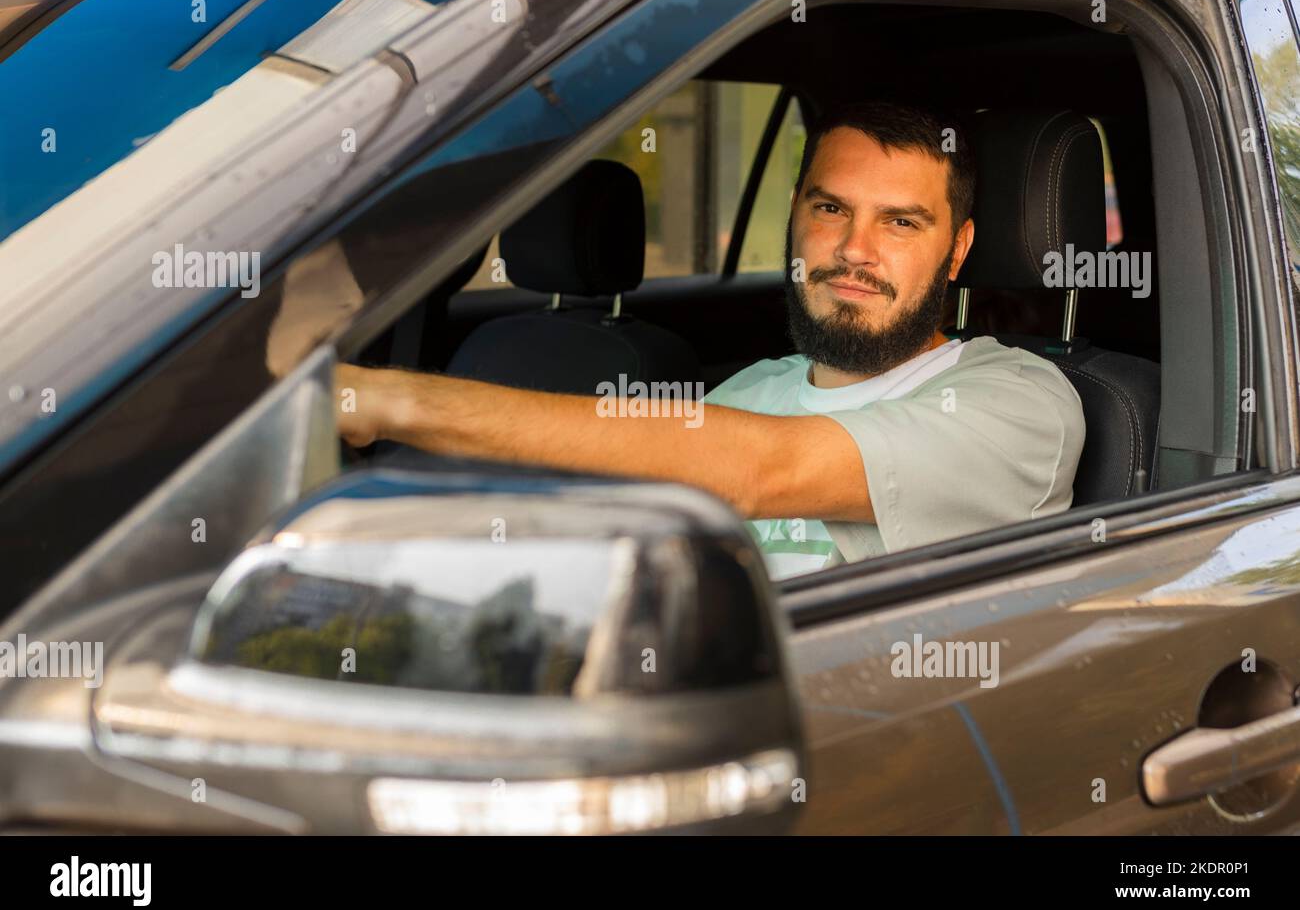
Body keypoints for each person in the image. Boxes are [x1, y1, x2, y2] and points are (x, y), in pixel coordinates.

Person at [335, 100, 1085, 579]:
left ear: (957, 251)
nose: (855, 249)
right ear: (795, 215)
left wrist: (389, 400)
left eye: (900, 222)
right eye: (831, 208)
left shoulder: (1019, 405)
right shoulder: (750, 393)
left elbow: (763, 471)